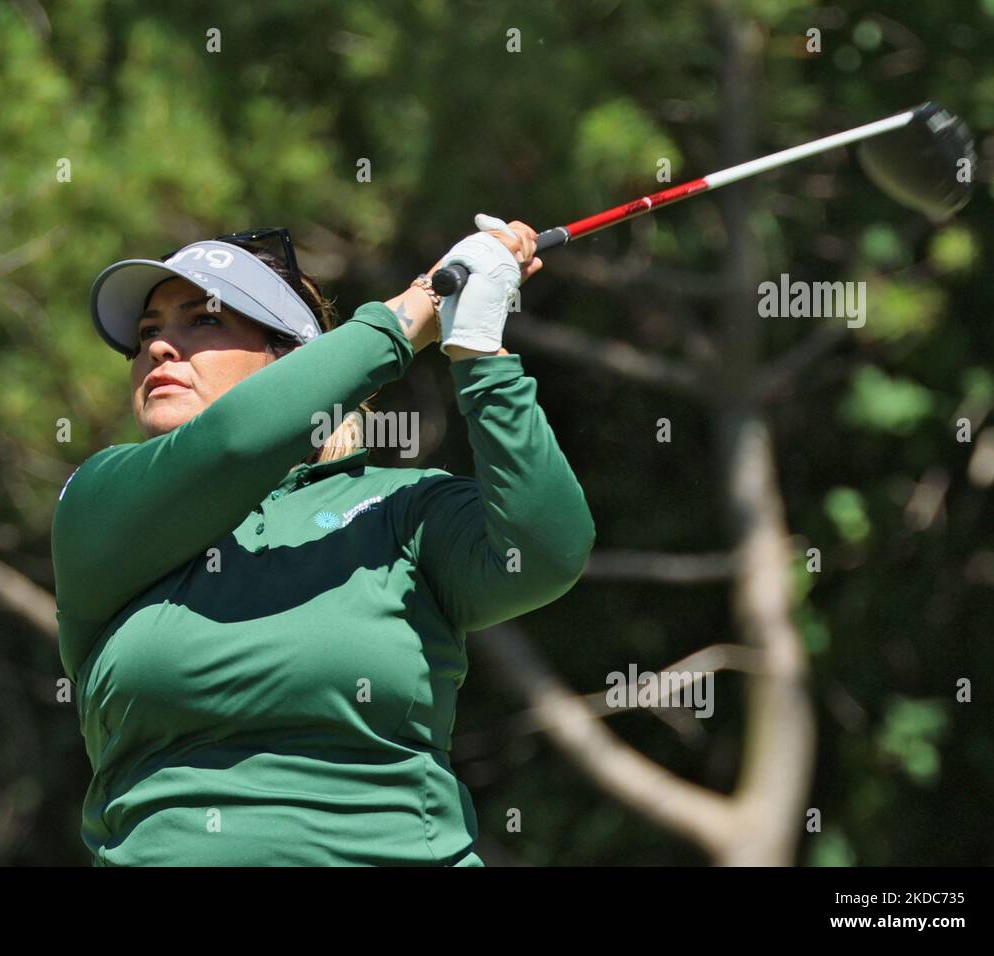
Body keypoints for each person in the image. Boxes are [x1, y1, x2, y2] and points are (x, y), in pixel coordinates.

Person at [51, 216, 596, 865]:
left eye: (201, 320)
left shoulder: (398, 508)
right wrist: (413, 312)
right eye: (146, 334)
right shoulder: (101, 503)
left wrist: (479, 351)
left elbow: (547, 552)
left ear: (294, 361)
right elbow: (231, 443)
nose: (159, 349)